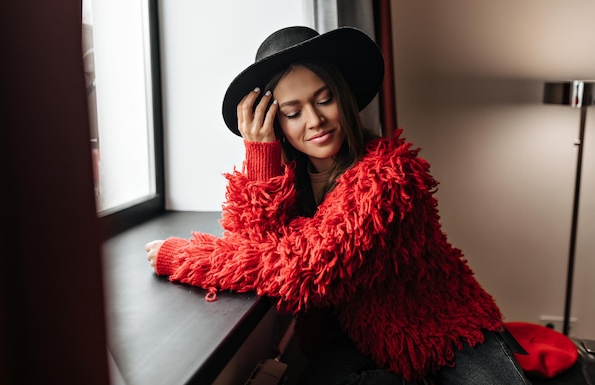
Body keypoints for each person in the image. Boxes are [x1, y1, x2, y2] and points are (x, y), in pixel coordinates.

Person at [145, 26, 530, 385]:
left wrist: (182, 257)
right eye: (293, 113)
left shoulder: (389, 175)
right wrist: (261, 155)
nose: (314, 121)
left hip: (450, 337)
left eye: (324, 99)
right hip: (366, 346)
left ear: (343, 97)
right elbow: (253, 243)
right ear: (275, 122)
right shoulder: (289, 183)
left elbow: (304, 267)